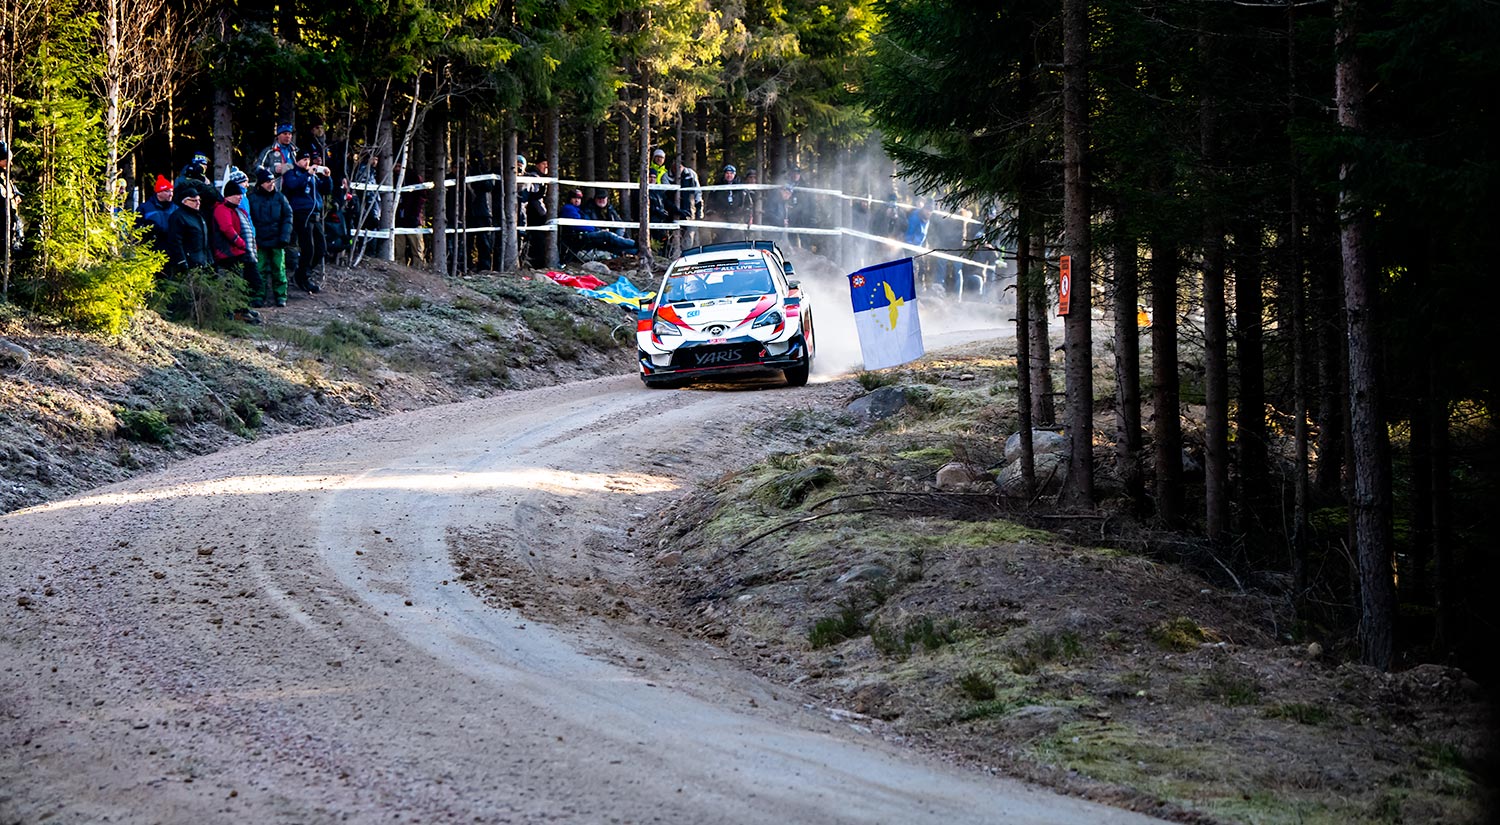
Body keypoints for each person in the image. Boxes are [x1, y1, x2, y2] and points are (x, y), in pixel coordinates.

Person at [282, 149, 332, 293]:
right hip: (301, 214)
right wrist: (307, 174)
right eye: (304, 160)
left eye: (308, 160)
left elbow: (325, 190)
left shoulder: (313, 176)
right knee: (308, 248)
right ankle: (303, 278)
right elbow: (292, 185)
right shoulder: (293, 173)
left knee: (321, 248)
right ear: (297, 161)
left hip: (315, 214)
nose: (307, 162)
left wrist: (327, 178)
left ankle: (303, 273)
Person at [212, 179, 265, 309]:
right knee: (235, 283)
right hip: (229, 253)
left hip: (241, 252)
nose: (240, 197)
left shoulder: (237, 210)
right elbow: (227, 229)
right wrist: (241, 243)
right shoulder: (222, 209)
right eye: (237, 194)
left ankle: (243, 308)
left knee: (251, 282)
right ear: (229, 195)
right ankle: (237, 310)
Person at [248, 168, 294, 306]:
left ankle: (281, 296)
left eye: (272, 181)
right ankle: (258, 296)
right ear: (261, 183)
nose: (271, 184)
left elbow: (288, 217)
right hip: (259, 241)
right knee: (259, 269)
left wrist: (285, 236)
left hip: (277, 240)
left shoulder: (280, 198)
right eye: (268, 182)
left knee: (279, 269)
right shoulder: (252, 199)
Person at [561, 188, 636, 257]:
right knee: (607, 235)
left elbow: (620, 225)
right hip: (580, 236)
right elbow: (578, 225)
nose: (577, 200)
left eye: (579, 198)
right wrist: (596, 229)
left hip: (593, 235)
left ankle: (637, 250)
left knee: (612, 242)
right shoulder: (569, 209)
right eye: (574, 198)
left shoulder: (609, 209)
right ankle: (636, 244)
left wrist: (617, 236)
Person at [165, 190, 212, 276]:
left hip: (202, 262)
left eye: (199, 200)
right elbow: (175, 242)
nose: (198, 203)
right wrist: (182, 261)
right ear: (185, 201)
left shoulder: (199, 216)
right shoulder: (178, 217)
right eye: (194, 200)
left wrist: (209, 258)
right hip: (189, 263)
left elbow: (204, 240)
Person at [393, 164, 426, 267]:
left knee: (417, 247)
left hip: (413, 217)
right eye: (395, 167)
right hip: (398, 218)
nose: (397, 169)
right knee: (399, 249)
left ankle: (419, 267)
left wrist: (416, 213)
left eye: (399, 166)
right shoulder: (391, 178)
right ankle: (400, 268)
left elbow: (422, 196)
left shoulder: (413, 176)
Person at [135, 175, 177, 257]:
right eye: (167, 191)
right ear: (159, 192)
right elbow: (136, 228)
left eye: (172, 191)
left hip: (171, 251)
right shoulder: (145, 208)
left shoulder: (175, 208)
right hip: (150, 251)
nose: (171, 194)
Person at [0, 140, 19, 266]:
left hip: (8, 221)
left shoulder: (4, 173)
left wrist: (16, 194)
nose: (9, 163)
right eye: (6, 159)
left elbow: (10, 185)